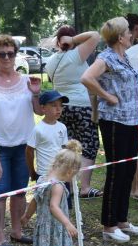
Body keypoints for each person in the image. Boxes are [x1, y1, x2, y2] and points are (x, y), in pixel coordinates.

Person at [80, 16, 138, 243]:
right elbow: (86, 78)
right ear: (120, 37)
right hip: (114, 121)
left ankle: (122, 220)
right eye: (128, 32)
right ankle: (109, 225)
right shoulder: (106, 57)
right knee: (117, 171)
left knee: (128, 170)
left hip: (131, 120)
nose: (132, 34)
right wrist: (107, 96)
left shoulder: (124, 57)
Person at [0, 34, 42, 246]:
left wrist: (36, 94)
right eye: (2, 54)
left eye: (10, 53)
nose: (6, 58)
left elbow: (39, 111)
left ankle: (17, 231)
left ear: (16, 55)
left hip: (24, 144)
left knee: (19, 190)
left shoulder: (28, 81)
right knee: (0, 191)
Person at [20, 140, 82, 246]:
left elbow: (35, 200)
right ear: (69, 172)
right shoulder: (58, 186)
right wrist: (67, 223)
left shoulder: (43, 179)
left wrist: (26, 216)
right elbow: (54, 207)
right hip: (53, 229)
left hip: (47, 229)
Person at [44, 25, 102, 197]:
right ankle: (84, 187)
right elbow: (95, 35)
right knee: (89, 144)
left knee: (66, 147)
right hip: (82, 106)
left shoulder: (51, 61)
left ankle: (66, 185)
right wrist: (74, 41)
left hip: (62, 107)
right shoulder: (77, 55)